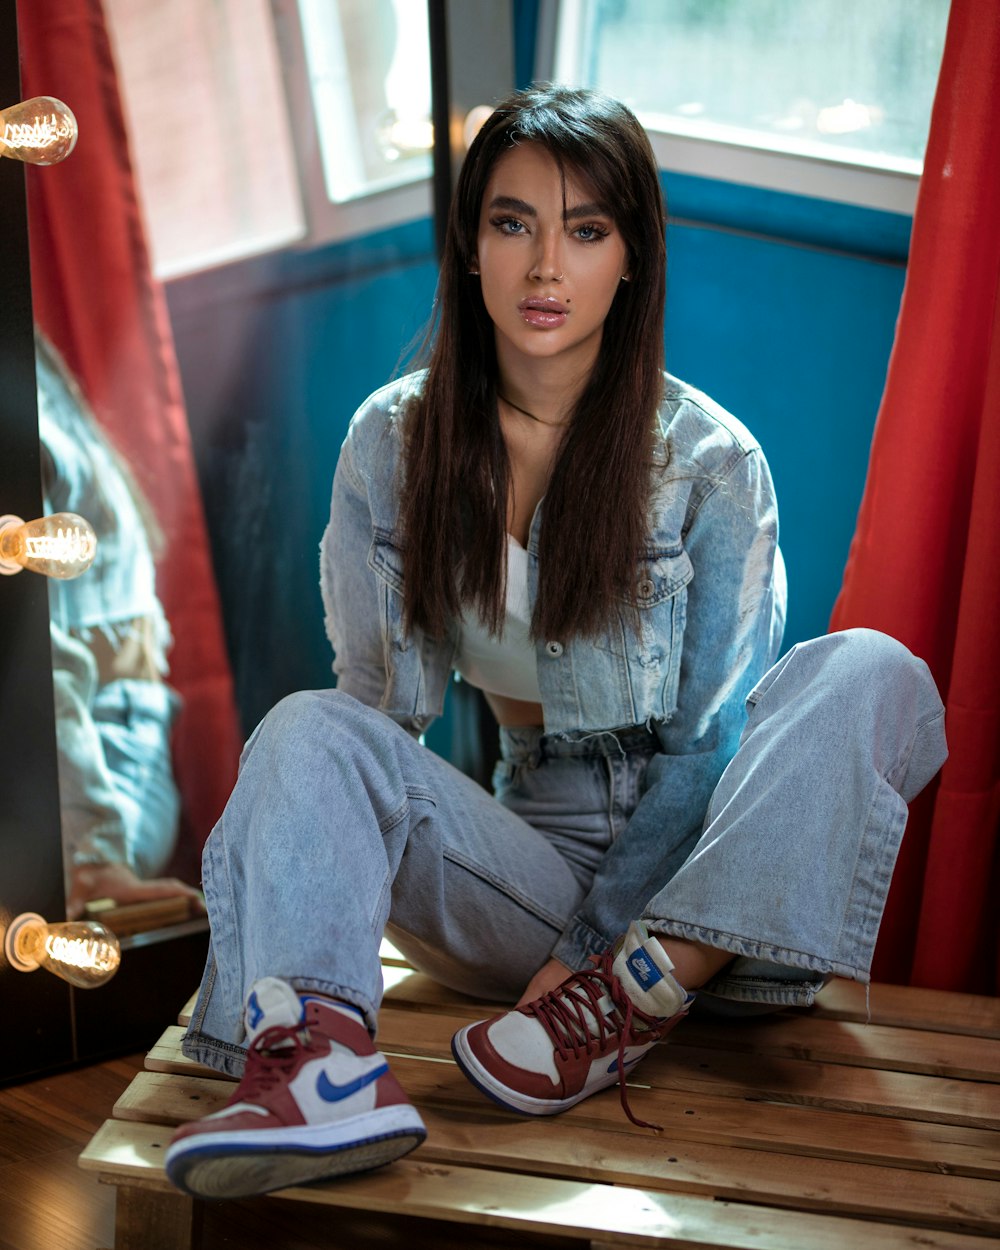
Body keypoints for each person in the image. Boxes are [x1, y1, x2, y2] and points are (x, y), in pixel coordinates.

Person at [164, 86, 946, 1199]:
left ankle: (634, 991)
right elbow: (373, 727)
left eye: (585, 230)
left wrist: (591, 951)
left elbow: (706, 748)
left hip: (723, 879)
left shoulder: (711, 461)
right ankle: (322, 1066)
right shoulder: (391, 440)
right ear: (469, 244)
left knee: (874, 667)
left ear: (629, 258)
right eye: (511, 221)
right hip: (524, 858)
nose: (544, 266)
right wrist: (543, 929)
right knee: (310, 725)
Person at [36, 332, 202, 920]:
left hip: (108, 754)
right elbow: (27, 653)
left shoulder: (26, 356)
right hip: (86, 779)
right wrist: (94, 846)